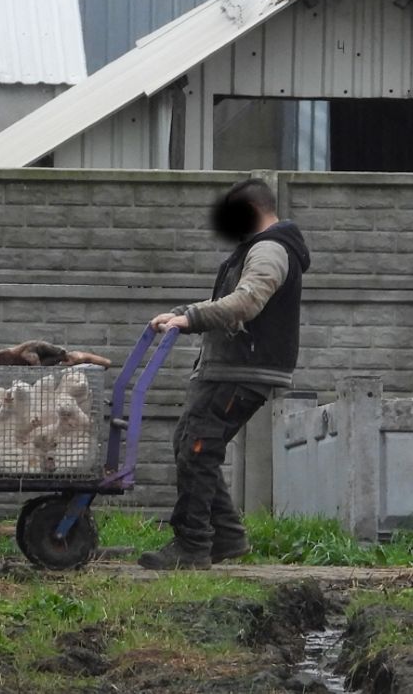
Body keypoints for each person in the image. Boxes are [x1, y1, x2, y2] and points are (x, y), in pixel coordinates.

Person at [139, 178, 310, 570]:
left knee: (198, 449)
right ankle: (228, 537)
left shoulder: (270, 250)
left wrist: (192, 318)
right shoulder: (259, 249)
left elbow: (247, 302)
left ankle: (193, 545)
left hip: (243, 369)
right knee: (191, 443)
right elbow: (228, 301)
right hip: (232, 367)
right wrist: (183, 312)